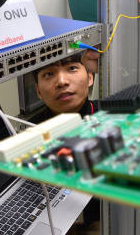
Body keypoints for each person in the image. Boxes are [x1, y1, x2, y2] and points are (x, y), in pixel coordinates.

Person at [30, 53, 100, 234]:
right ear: (38, 91)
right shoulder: (28, 132)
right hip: (53, 219)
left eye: (71, 69)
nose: (61, 81)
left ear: (90, 77)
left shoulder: (112, 115)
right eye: (48, 74)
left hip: (104, 214)